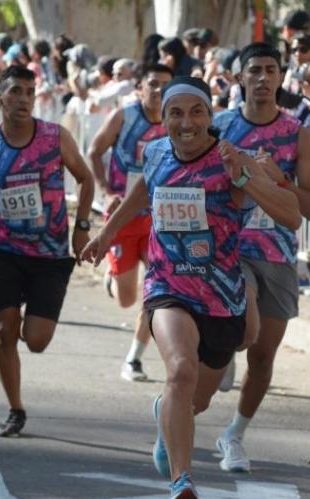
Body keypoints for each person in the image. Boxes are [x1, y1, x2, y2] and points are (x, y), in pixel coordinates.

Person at [80, 76, 301, 498]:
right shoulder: (158, 150)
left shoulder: (228, 158)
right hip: (169, 283)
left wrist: (245, 178)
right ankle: (182, 480)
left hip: (220, 292)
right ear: (162, 119)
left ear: (209, 116)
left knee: (194, 400)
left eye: (196, 112)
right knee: (180, 369)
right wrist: (107, 234)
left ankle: (167, 417)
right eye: (175, 114)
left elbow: (291, 214)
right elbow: (145, 186)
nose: (186, 123)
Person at [0, 65, 95, 438]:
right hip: (2, 249)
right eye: (16, 91)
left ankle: (26, 329)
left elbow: (86, 177)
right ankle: (15, 409)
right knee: (4, 329)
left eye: (30, 93)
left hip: (49, 254)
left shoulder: (54, 138)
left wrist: (81, 229)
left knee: (36, 340)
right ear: (0, 98)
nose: (24, 99)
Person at [211, 43, 310, 473]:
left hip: (277, 252)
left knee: (263, 356)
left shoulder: (297, 134)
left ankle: (234, 434)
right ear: (240, 78)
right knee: (245, 327)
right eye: (253, 70)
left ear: (280, 78)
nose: (262, 77)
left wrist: (280, 180)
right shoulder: (218, 127)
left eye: (270, 70)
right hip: (230, 249)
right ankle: (224, 347)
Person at [87, 63, 174, 381]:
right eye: (153, 84)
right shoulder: (125, 116)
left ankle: (133, 359)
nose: (159, 91)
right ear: (140, 88)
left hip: (159, 219)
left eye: (166, 85)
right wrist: (105, 191)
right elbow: (95, 150)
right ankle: (113, 277)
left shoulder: (176, 120)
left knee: (157, 291)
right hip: (123, 215)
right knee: (126, 299)